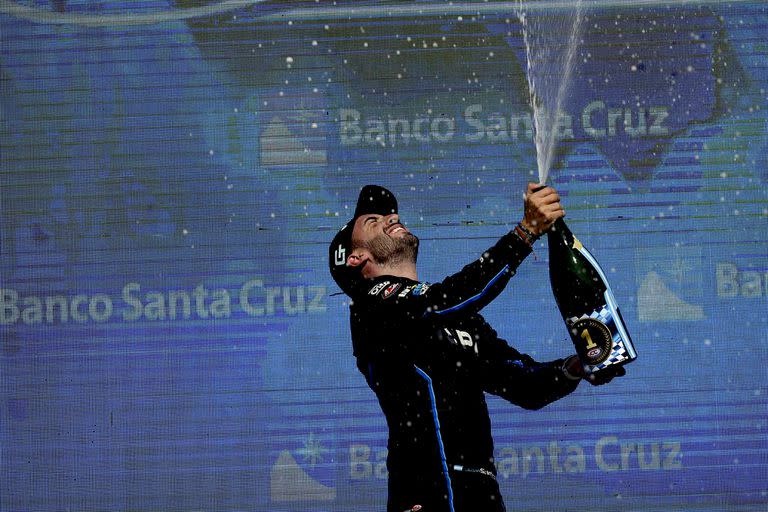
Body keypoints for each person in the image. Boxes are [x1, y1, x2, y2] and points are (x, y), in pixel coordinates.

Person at [328, 184, 624, 512]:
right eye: (373, 220)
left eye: (390, 213)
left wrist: (578, 366)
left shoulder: (456, 316)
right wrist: (526, 232)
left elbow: (524, 384)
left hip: (480, 492)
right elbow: (449, 298)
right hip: (428, 493)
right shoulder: (372, 307)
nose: (392, 217)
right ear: (357, 258)